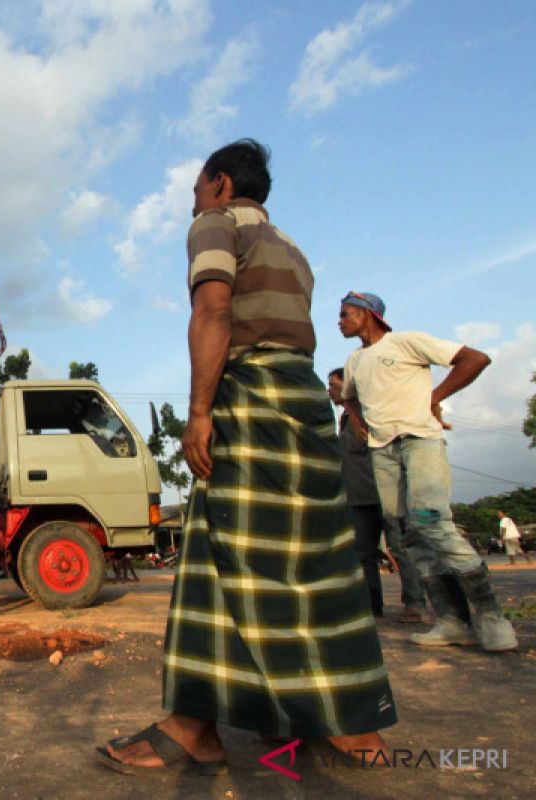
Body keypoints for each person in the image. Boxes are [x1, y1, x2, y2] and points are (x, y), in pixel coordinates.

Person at [97, 140, 394, 776]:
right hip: (304, 406)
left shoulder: (214, 225)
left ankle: (193, 726)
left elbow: (214, 310)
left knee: (215, 559)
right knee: (317, 565)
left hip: (251, 403)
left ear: (222, 185)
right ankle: (348, 723)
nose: (194, 205)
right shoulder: (293, 248)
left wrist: (199, 413)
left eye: (198, 191)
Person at [338, 291, 517, 653]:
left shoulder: (406, 341)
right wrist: (358, 423)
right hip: (382, 449)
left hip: (419, 440)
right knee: (406, 531)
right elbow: (349, 397)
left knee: (431, 520)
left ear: (368, 314)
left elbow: (475, 359)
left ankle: (491, 615)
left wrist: (434, 397)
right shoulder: (355, 359)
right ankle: (452, 620)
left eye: (345, 314)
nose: (339, 321)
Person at [327, 368, 427, 622]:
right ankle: (371, 605)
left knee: (401, 549)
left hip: (386, 493)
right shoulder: (346, 420)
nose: (330, 391)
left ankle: (415, 604)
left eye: (334, 386)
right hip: (358, 497)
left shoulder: (370, 415)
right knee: (364, 553)